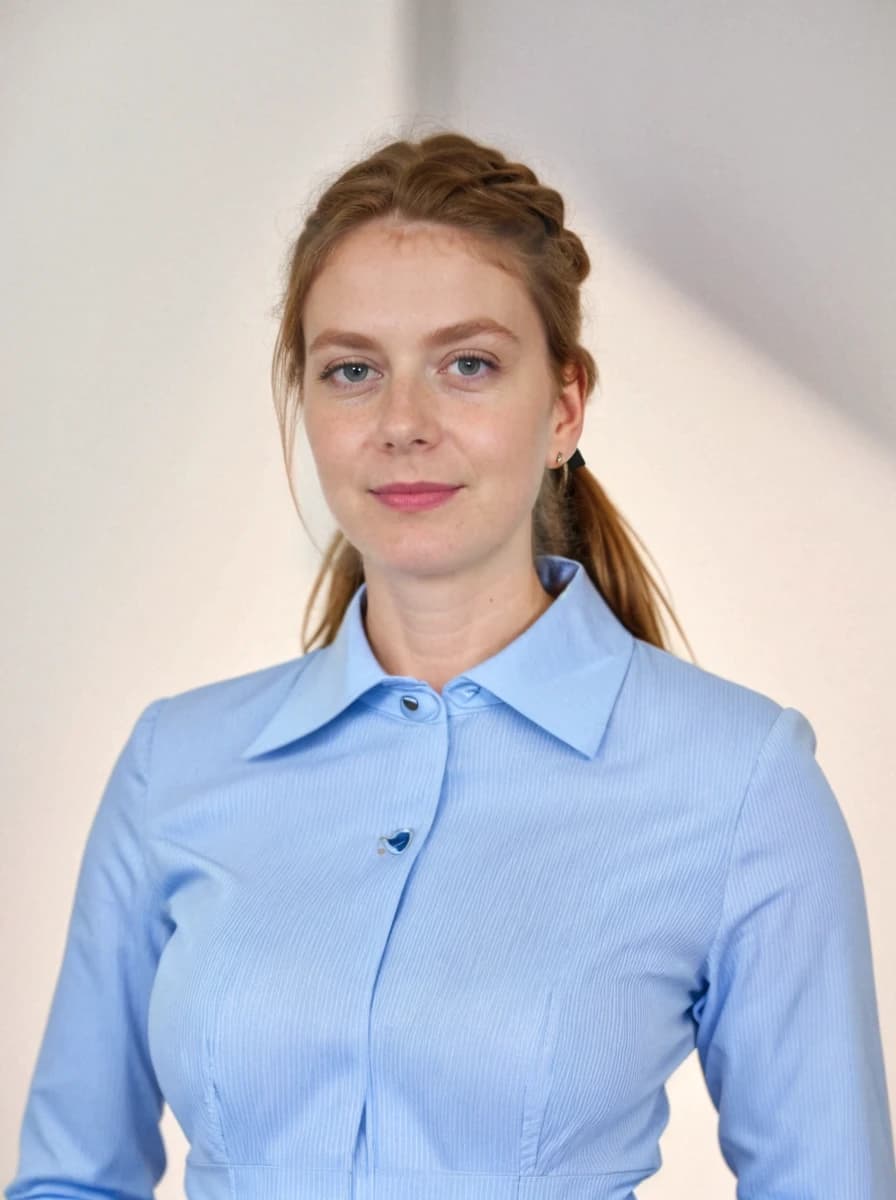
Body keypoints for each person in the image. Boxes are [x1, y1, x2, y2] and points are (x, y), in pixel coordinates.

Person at [5, 129, 895, 1200]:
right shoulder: (176, 764)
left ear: (563, 406)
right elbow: (71, 1181)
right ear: (308, 406)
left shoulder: (740, 779)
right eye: (351, 371)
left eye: (466, 365)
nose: (402, 425)